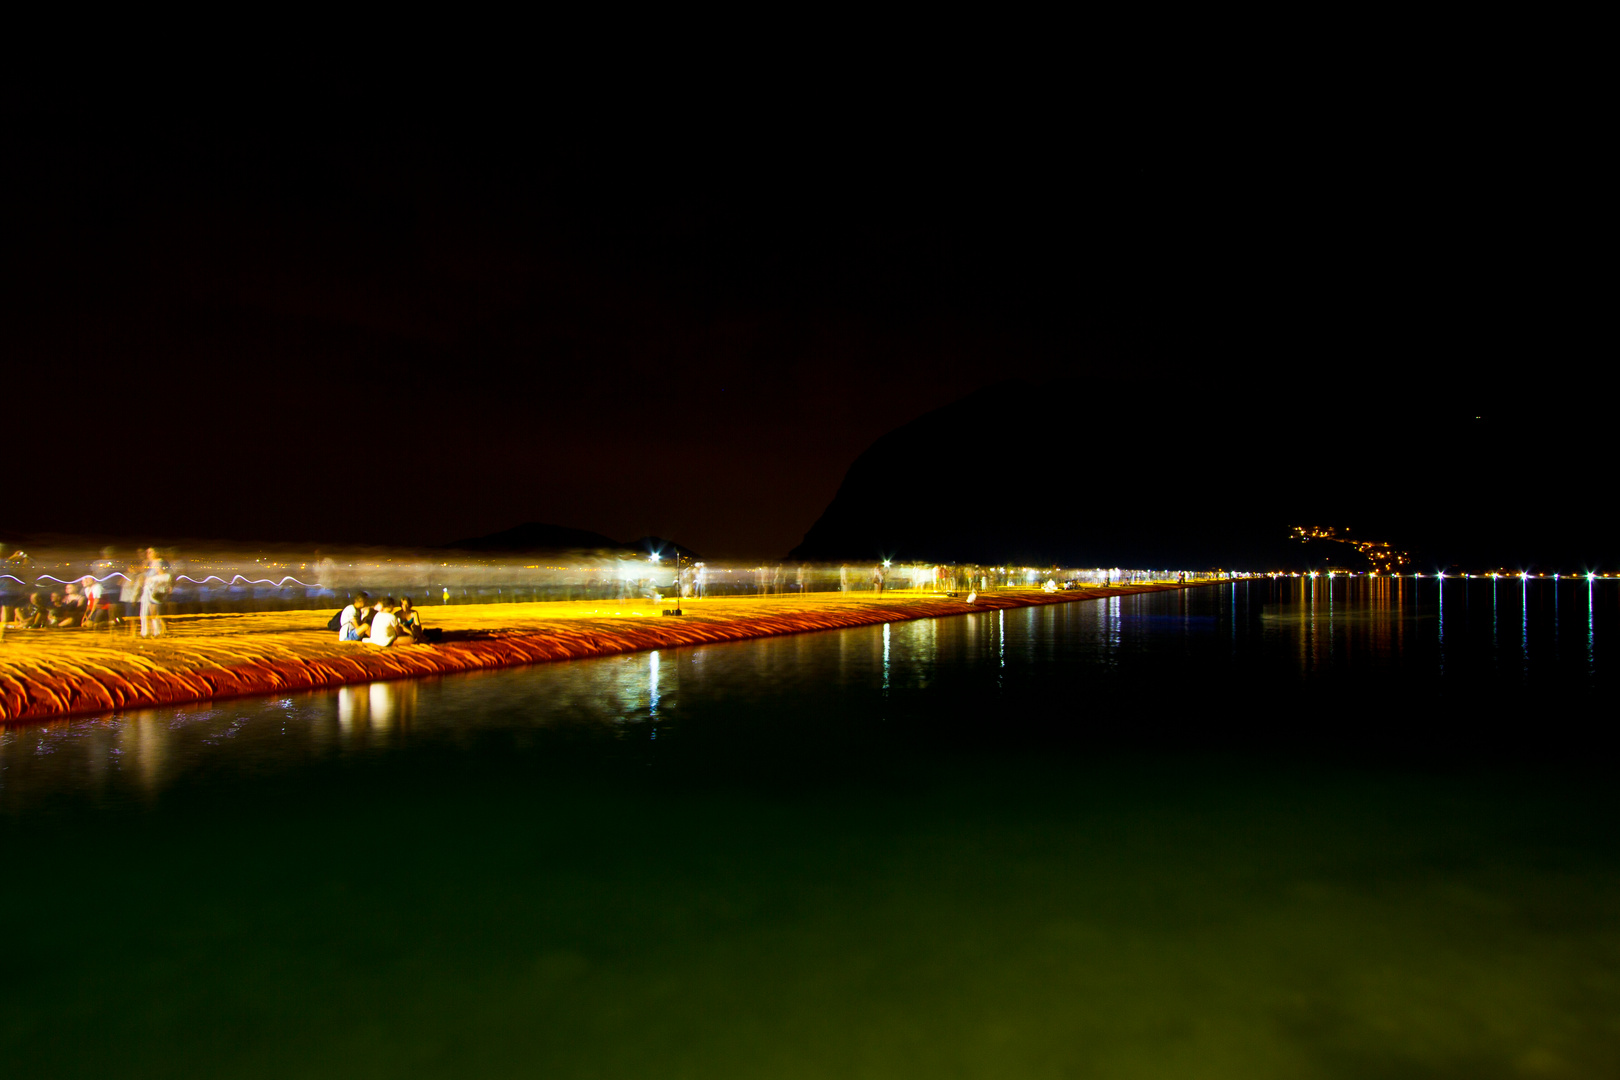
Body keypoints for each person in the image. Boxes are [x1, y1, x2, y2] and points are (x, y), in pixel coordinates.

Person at [140, 549, 171, 637]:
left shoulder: (158, 563)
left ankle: (154, 631)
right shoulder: (150, 563)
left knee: (152, 611)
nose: (148, 554)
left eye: (150, 552)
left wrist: (151, 579)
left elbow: (164, 576)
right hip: (149, 589)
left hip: (153, 590)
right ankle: (149, 631)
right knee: (148, 611)